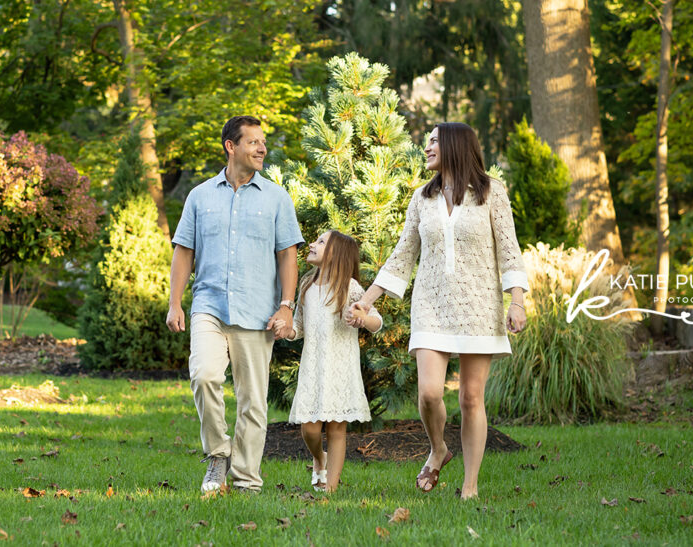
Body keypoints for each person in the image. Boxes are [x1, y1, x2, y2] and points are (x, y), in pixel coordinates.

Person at [351, 122, 528, 499]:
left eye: (433, 141)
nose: (427, 147)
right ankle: (438, 449)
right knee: (430, 393)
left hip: (478, 303)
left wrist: (517, 300)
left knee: (470, 398)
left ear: (453, 145)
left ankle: (470, 486)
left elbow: (509, 248)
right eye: (427, 141)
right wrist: (368, 299)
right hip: (430, 303)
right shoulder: (422, 197)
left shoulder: (491, 192)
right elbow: (402, 255)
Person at [166, 115, 304, 494]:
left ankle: (246, 481)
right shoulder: (200, 196)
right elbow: (184, 251)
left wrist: (286, 305)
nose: (261, 148)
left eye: (263, 142)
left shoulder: (277, 197)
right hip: (208, 305)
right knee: (204, 375)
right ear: (231, 146)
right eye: (253, 142)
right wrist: (175, 303)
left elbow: (287, 256)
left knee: (252, 402)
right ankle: (218, 454)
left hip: (258, 312)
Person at [278, 230, 382, 493]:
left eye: (321, 242)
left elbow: (376, 321)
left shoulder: (350, 287)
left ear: (336, 254)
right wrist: (288, 330)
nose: (312, 244)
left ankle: (330, 490)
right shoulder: (306, 286)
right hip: (313, 367)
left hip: (340, 369)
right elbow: (298, 327)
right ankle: (318, 457)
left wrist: (363, 318)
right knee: (309, 429)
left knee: (337, 430)